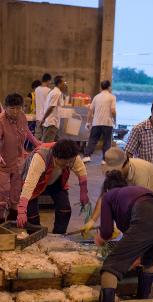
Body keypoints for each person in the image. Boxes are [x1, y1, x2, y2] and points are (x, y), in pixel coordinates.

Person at [95, 170, 153, 302]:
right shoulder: (133, 191)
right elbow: (139, 236)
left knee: (111, 266)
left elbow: (107, 232)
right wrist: (135, 256)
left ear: (107, 188)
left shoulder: (109, 196)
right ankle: (142, 301)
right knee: (149, 259)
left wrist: (100, 238)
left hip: (147, 214)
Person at [83, 146, 153, 231]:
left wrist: (119, 225)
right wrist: (92, 221)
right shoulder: (114, 172)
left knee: (151, 224)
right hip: (142, 194)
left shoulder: (140, 173)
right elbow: (104, 196)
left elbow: (143, 202)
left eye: (117, 169)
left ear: (126, 163)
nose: (115, 172)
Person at [17, 139, 89, 234]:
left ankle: (59, 236)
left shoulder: (71, 156)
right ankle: (35, 237)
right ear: (56, 157)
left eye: (70, 162)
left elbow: (81, 171)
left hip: (56, 180)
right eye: (65, 162)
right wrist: (22, 210)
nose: (68, 165)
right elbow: (29, 184)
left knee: (65, 210)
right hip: (36, 183)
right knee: (31, 216)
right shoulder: (41, 157)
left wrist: (84, 192)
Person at [0, 93, 41, 223]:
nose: (16, 111)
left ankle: (12, 222)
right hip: (3, 163)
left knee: (16, 193)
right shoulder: (1, 121)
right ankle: (0, 223)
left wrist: (37, 143)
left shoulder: (22, 116)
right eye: (12, 108)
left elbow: (27, 131)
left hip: (18, 162)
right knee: (3, 193)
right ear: (6, 108)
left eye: (19, 108)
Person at [83, 80, 116, 164]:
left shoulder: (96, 97)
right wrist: (115, 120)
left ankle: (87, 156)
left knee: (93, 139)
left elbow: (90, 110)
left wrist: (88, 122)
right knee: (107, 141)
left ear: (101, 87)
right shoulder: (112, 97)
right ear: (109, 87)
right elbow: (113, 111)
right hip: (107, 122)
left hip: (96, 122)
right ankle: (104, 159)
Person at [40, 75, 66, 143]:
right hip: (51, 123)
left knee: (55, 144)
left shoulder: (56, 92)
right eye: (64, 83)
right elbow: (51, 107)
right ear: (59, 84)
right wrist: (43, 119)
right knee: (46, 145)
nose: (65, 84)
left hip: (54, 123)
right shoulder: (56, 93)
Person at [35, 73, 52, 139]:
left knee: (37, 137)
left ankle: (36, 149)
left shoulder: (37, 89)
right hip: (46, 118)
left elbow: (36, 102)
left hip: (38, 117)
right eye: (50, 81)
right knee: (44, 138)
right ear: (48, 80)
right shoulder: (49, 91)